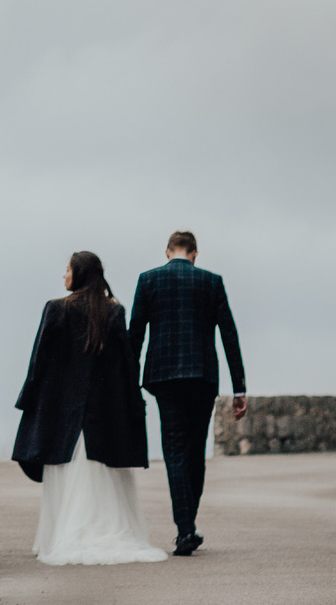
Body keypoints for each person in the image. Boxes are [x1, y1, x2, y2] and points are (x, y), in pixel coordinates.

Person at [10, 250, 165, 565]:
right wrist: (132, 408)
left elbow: (37, 362)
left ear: (78, 274)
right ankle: (104, 534)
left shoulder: (56, 309)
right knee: (101, 478)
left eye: (66, 269)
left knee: (68, 479)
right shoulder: (114, 311)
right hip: (102, 416)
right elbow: (126, 365)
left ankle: (63, 538)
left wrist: (28, 400)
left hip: (62, 415)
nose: (63, 276)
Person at [126, 230, 246, 557]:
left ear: (167, 252)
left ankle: (185, 530)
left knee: (174, 452)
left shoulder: (148, 280)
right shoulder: (211, 281)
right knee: (195, 452)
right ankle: (188, 526)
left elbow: (134, 334)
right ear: (195, 253)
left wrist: (127, 381)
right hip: (203, 376)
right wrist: (240, 387)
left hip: (164, 379)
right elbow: (229, 335)